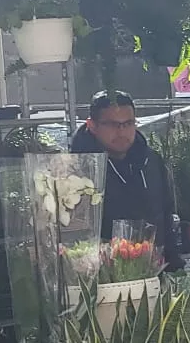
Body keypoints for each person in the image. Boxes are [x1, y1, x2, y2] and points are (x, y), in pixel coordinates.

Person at [70, 91, 183, 270]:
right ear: (91, 125)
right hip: (101, 275)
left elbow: (166, 216)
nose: (121, 131)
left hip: (153, 272)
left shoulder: (151, 161)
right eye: (112, 124)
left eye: (128, 123)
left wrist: (174, 267)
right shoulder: (76, 169)